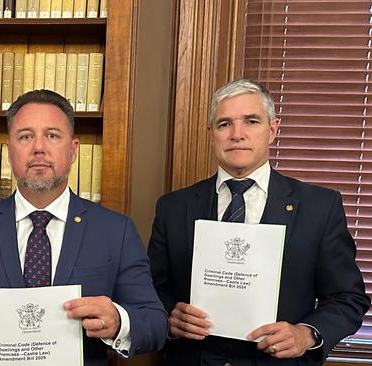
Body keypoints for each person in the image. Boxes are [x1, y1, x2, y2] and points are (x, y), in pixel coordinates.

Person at [0, 89, 168, 366]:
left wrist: (119, 321)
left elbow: (155, 322)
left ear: (73, 150)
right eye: (25, 136)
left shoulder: (115, 231)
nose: (38, 147)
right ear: (9, 150)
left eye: (52, 135)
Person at [148, 79, 370, 365]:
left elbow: (348, 298)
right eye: (224, 124)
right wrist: (170, 317)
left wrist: (306, 335)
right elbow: (151, 289)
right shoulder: (173, 207)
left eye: (251, 121)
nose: (237, 134)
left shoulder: (320, 207)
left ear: (272, 130)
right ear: (211, 134)